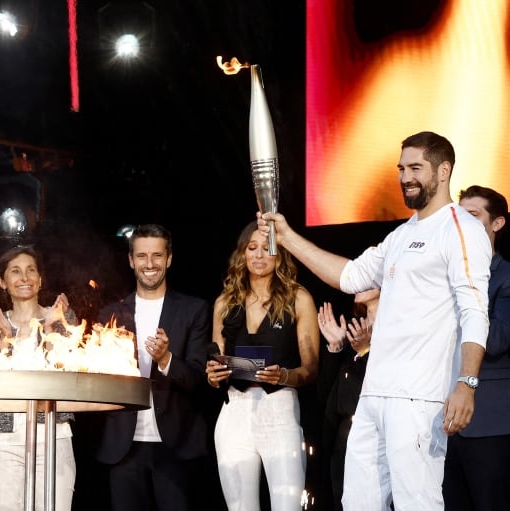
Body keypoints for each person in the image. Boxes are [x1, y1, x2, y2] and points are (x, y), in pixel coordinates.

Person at [257, 131, 491, 510]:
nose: (404, 177)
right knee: (358, 503)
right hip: (373, 395)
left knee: (418, 502)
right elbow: (348, 276)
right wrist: (285, 237)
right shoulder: (400, 236)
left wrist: (466, 383)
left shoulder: (462, 229)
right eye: (401, 168)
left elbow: (475, 312)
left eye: (416, 167)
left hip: (419, 397)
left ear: (443, 170)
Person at [95, 223, 211, 511]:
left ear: (169, 259)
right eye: (142, 256)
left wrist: (165, 359)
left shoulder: (193, 310)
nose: (150, 264)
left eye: (157, 256)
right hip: (123, 446)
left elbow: (198, 377)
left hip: (176, 446)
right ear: (131, 260)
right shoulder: (110, 314)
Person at [205, 221, 319, 511]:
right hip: (233, 414)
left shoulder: (299, 299)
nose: (258, 255)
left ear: (279, 253)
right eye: (251, 248)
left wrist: (283, 376)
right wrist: (213, 375)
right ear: (241, 254)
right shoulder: (224, 303)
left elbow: (311, 369)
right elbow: (215, 363)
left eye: (266, 248)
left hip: (280, 411)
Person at [0, 245, 78, 511]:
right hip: (3, 441)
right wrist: (5, 339)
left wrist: (47, 330)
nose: (24, 278)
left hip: (54, 436)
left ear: (40, 279)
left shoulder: (61, 318)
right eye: (15, 272)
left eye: (31, 270)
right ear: (2, 282)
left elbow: (64, 374)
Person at [443, 185, 510, 510]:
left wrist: (470, 298)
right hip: (440, 422)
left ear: (497, 223)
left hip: (488, 422)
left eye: (473, 216)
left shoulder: (507, 277)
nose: (463, 225)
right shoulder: (441, 276)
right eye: (459, 217)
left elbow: (497, 339)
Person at [317, 289, 379, 510]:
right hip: (344, 434)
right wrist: (336, 347)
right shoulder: (353, 326)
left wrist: (366, 351)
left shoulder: (398, 324)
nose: (359, 284)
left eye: (368, 277)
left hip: (378, 434)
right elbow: (326, 391)